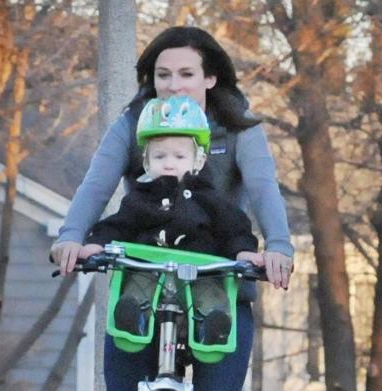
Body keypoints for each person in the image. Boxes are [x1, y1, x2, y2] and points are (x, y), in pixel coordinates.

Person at [51, 26, 293, 391]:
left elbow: (263, 192)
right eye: (163, 74)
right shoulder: (135, 124)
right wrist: (72, 236)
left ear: (211, 77)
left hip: (217, 290)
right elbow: (96, 186)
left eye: (186, 73)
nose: (174, 84)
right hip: (144, 288)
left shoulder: (238, 131)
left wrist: (274, 250)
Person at [81, 95, 262, 348]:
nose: (168, 164)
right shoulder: (140, 199)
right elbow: (118, 225)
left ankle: (212, 325)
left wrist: (244, 251)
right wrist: (97, 243)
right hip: (149, 271)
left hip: (199, 273)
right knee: (134, 291)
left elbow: (233, 227)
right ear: (146, 161)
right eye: (159, 157)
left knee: (210, 297)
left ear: (198, 161)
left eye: (179, 157)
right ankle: (133, 318)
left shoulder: (208, 198)